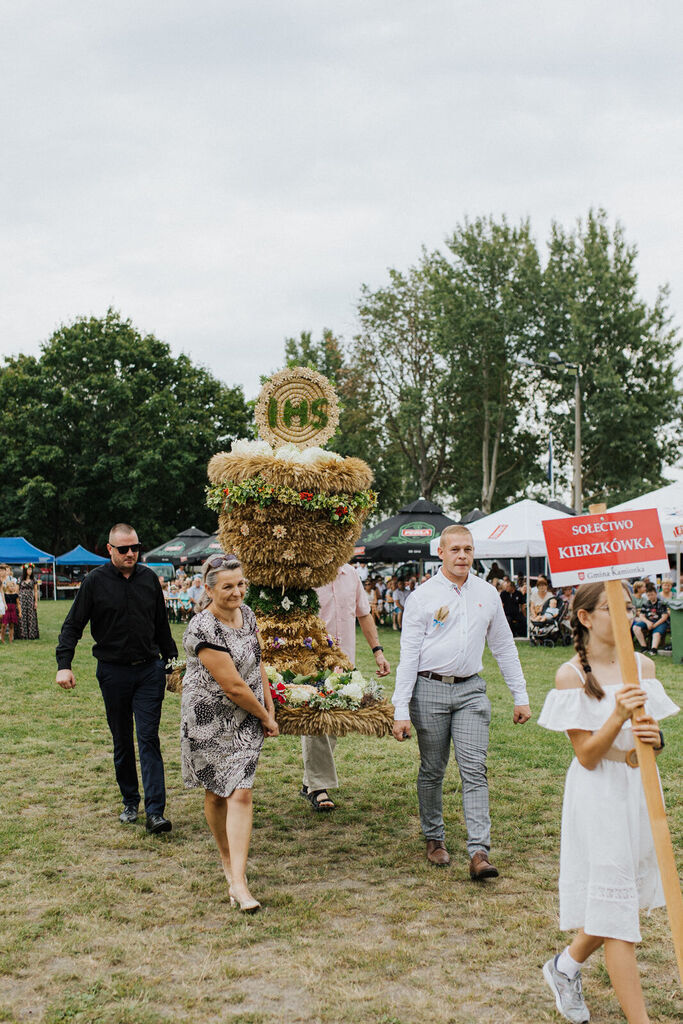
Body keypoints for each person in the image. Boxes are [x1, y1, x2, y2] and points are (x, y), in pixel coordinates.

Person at [538, 582, 678, 1024]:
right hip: (597, 795)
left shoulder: (643, 666)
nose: (625, 615)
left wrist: (655, 740)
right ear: (584, 617)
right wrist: (617, 713)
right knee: (617, 911)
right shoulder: (571, 676)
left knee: (619, 896)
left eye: (630, 607)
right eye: (610, 609)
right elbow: (587, 755)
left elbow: (648, 744)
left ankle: (564, 968)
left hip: (638, 793)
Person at [392, 525, 531, 877]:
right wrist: (400, 708)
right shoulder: (422, 597)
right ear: (440, 552)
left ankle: (479, 852)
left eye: (468, 549)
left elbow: (503, 647)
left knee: (474, 770)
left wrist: (521, 696)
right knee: (433, 768)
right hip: (429, 690)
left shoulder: (487, 593)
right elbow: (408, 655)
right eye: (454, 549)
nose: (462, 556)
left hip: (471, 692)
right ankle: (434, 837)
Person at [55, 523, 178, 833]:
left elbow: (162, 627)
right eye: (123, 549)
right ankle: (129, 800)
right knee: (122, 739)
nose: (130, 554)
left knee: (148, 738)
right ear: (109, 549)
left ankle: (155, 812)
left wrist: (173, 664)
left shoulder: (149, 579)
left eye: (135, 548)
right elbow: (73, 626)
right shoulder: (94, 583)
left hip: (149, 670)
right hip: (113, 672)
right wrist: (64, 664)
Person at [181, 555, 278, 913]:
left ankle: (238, 881)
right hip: (209, 719)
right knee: (216, 793)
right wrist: (265, 716)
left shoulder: (248, 614)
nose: (237, 592)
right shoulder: (202, 629)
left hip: (246, 717)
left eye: (241, 584)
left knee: (241, 792)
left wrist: (270, 705)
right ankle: (225, 858)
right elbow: (233, 685)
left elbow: (257, 662)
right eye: (228, 587)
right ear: (208, 589)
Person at [300, 563, 391, 811]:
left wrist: (378, 652)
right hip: (313, 661)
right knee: (317, 720)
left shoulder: (351, 575)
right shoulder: (306, 571)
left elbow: (363, 614)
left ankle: (311, 782)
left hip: (345, 661)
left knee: (334, 724)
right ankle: (318, 787)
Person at [631, 583, 670, 654]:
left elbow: (664, 617)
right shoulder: (646, 604)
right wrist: (647, 622)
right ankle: (644, 647)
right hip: (649, 621)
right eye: (648, 595)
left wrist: (654, 625)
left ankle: (653, 649)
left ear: (655, 593)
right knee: (635, 627)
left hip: (660, 622)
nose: (650, 596)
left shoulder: (661, 603)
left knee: (656, 633)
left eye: (652, 594)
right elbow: (641, 615)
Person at [17, 564, 40, 640]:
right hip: (22, 599)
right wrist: (17, 601)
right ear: (25, 570)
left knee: (31, 615)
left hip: (30, 599)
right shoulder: (20, 579)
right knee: (22, 615)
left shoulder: (34, 579)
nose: (30, 571)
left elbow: (36, 591)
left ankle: (31, 634)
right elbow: (17, 591)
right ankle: (23, 634)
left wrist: (36, 601)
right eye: (28, 569)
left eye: (31, 569)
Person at [1, 575, 21, 644]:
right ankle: (2, 639)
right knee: (3, 625)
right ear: (7, 587)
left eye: (13, 586)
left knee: (11, 625)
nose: (12, 588)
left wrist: (20, 612)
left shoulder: (15, 595)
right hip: (6, 611)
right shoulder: (5, 594)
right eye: (11, 586)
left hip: (13, 611)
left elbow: (18, 604)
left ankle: (10, 640)